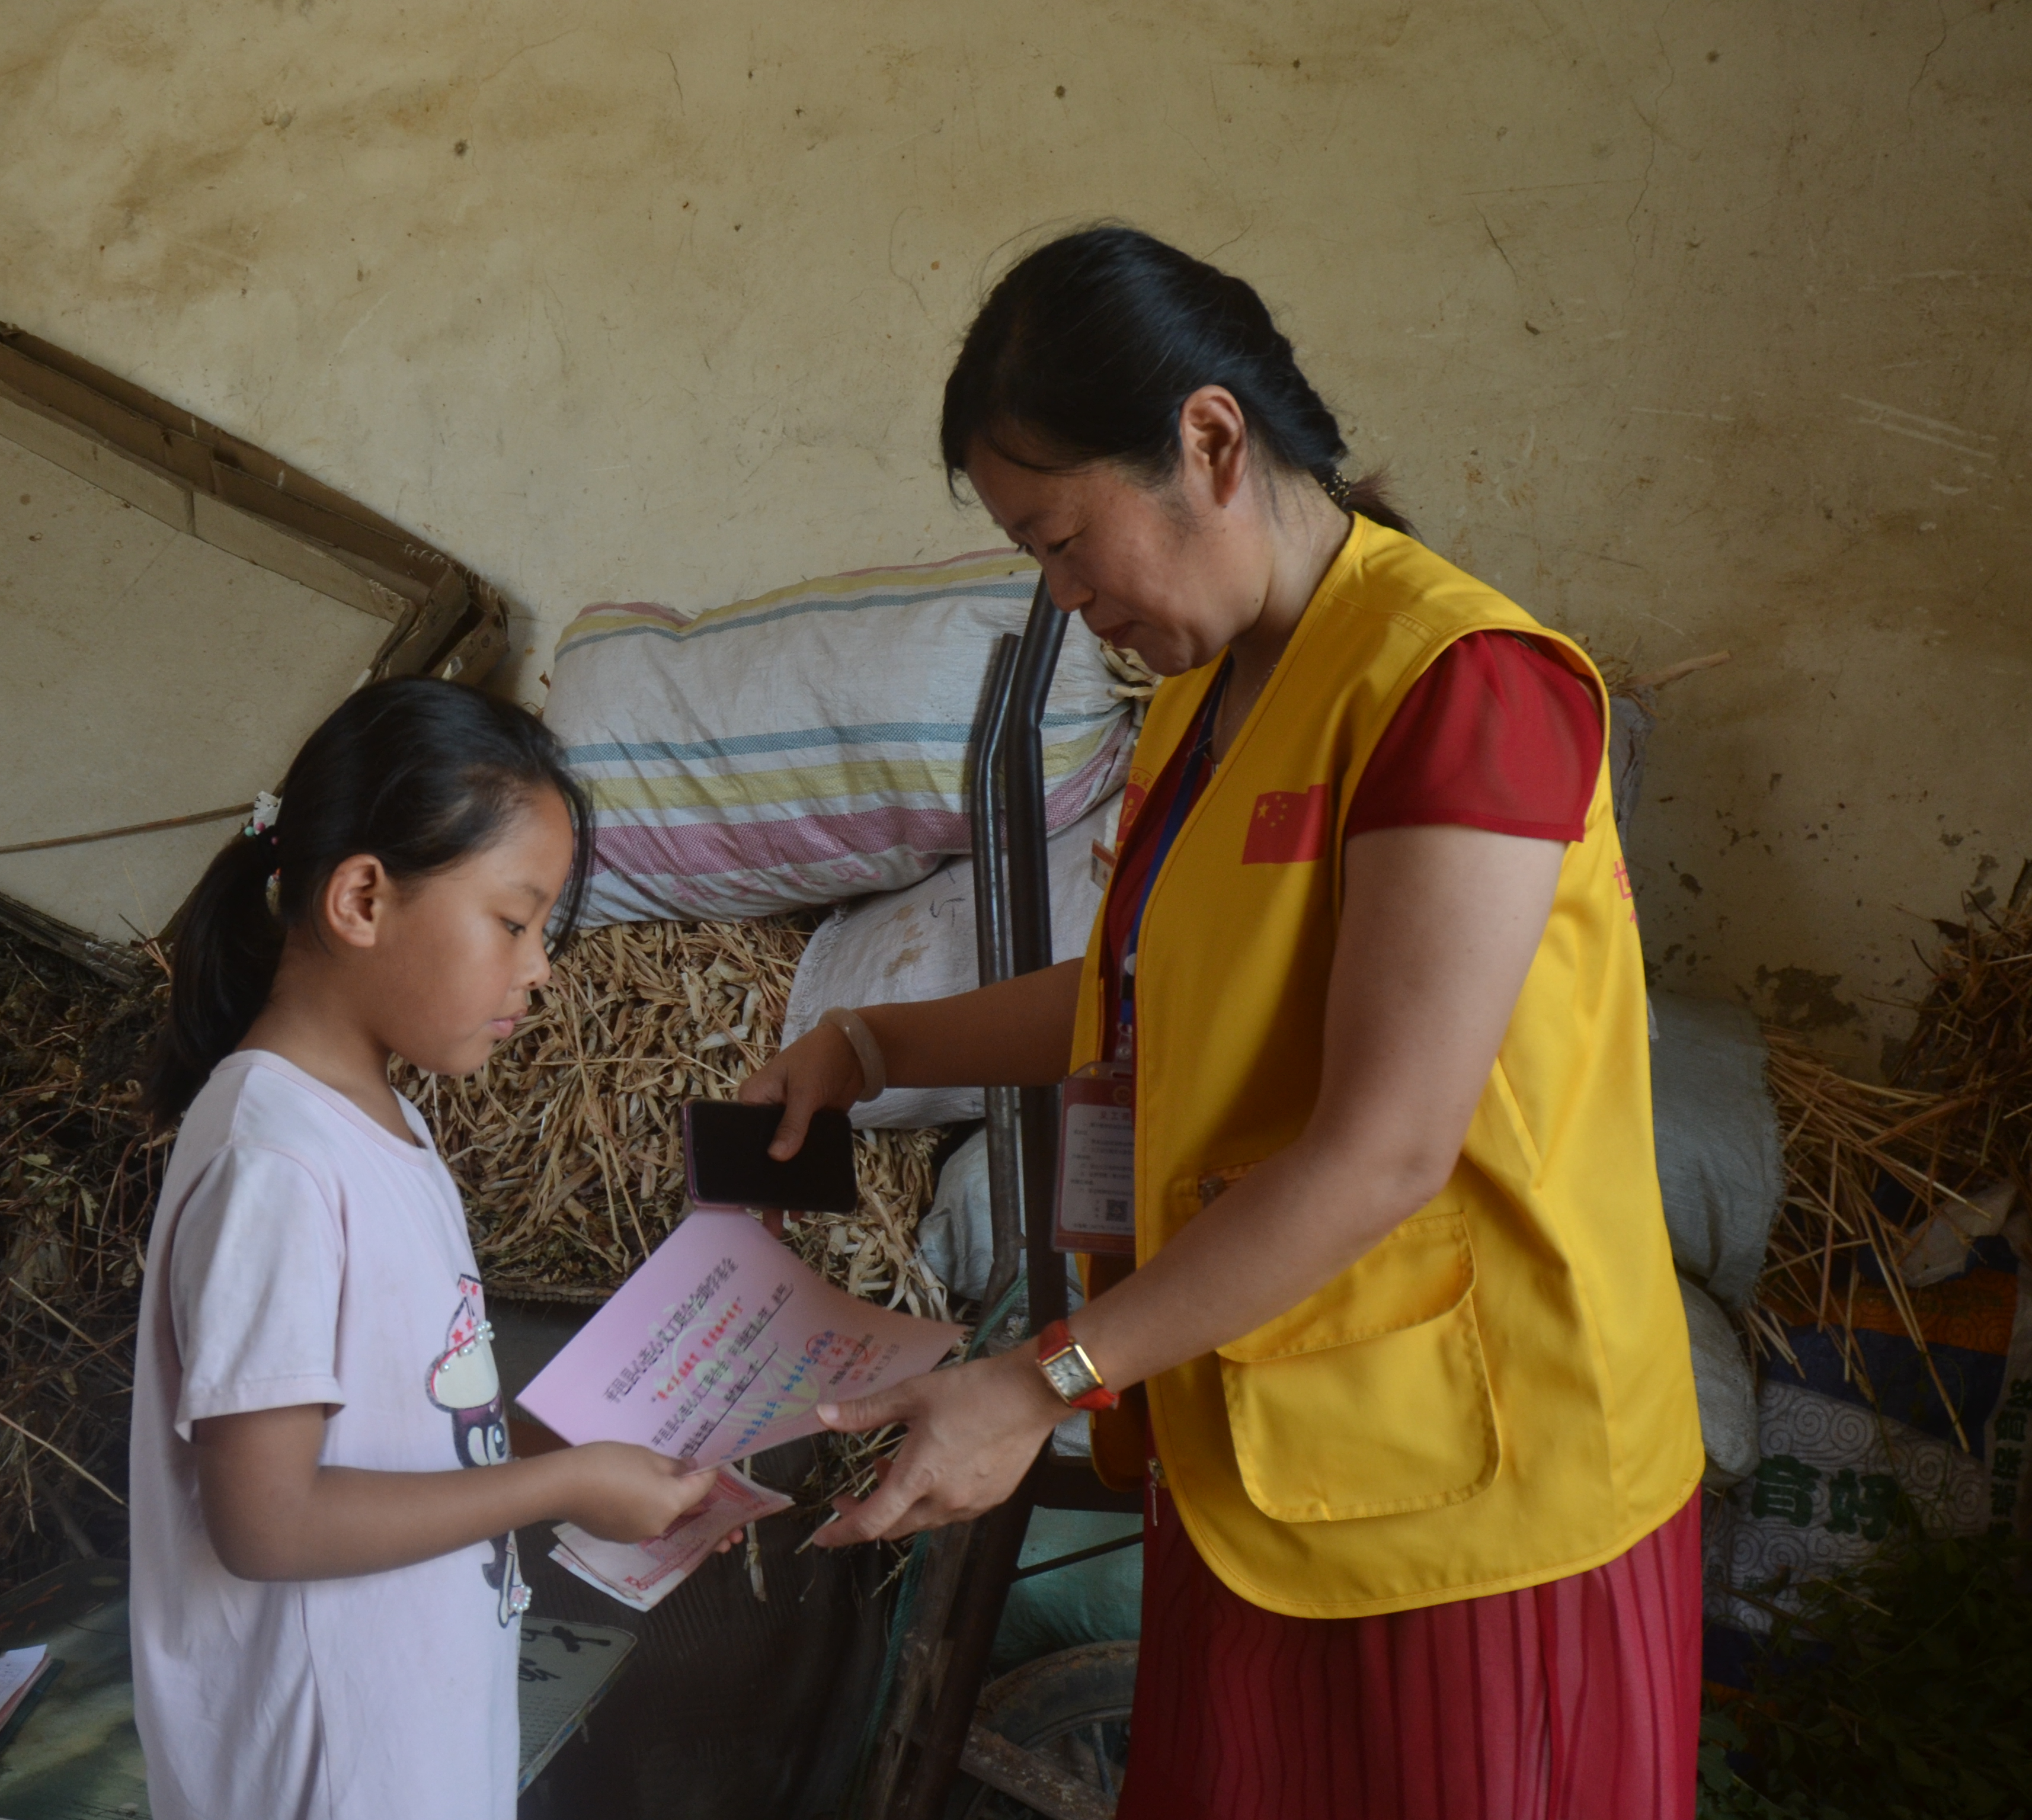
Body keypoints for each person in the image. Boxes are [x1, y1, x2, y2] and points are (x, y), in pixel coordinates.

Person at [741, 226, 1703, 1819]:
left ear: (1208, 441)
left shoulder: (1460, 689)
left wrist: (1042, 1382)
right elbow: (1147, 997)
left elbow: (1386, 1149)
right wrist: (877, 1050)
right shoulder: (1206, 695)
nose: (1064, 597)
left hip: (1465, 1506)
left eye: (1063, 541)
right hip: (1257, 1451)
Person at [129, 677, 720, 1820]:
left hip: (406, 1751)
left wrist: (579, 1447)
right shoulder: (278, 1163)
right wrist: (556, 1482)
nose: (539, 968)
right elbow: (268, 1518)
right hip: (327, 1775)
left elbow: (406, 1423)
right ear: (362, 897)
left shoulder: (381, 1126)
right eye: (513, 920)